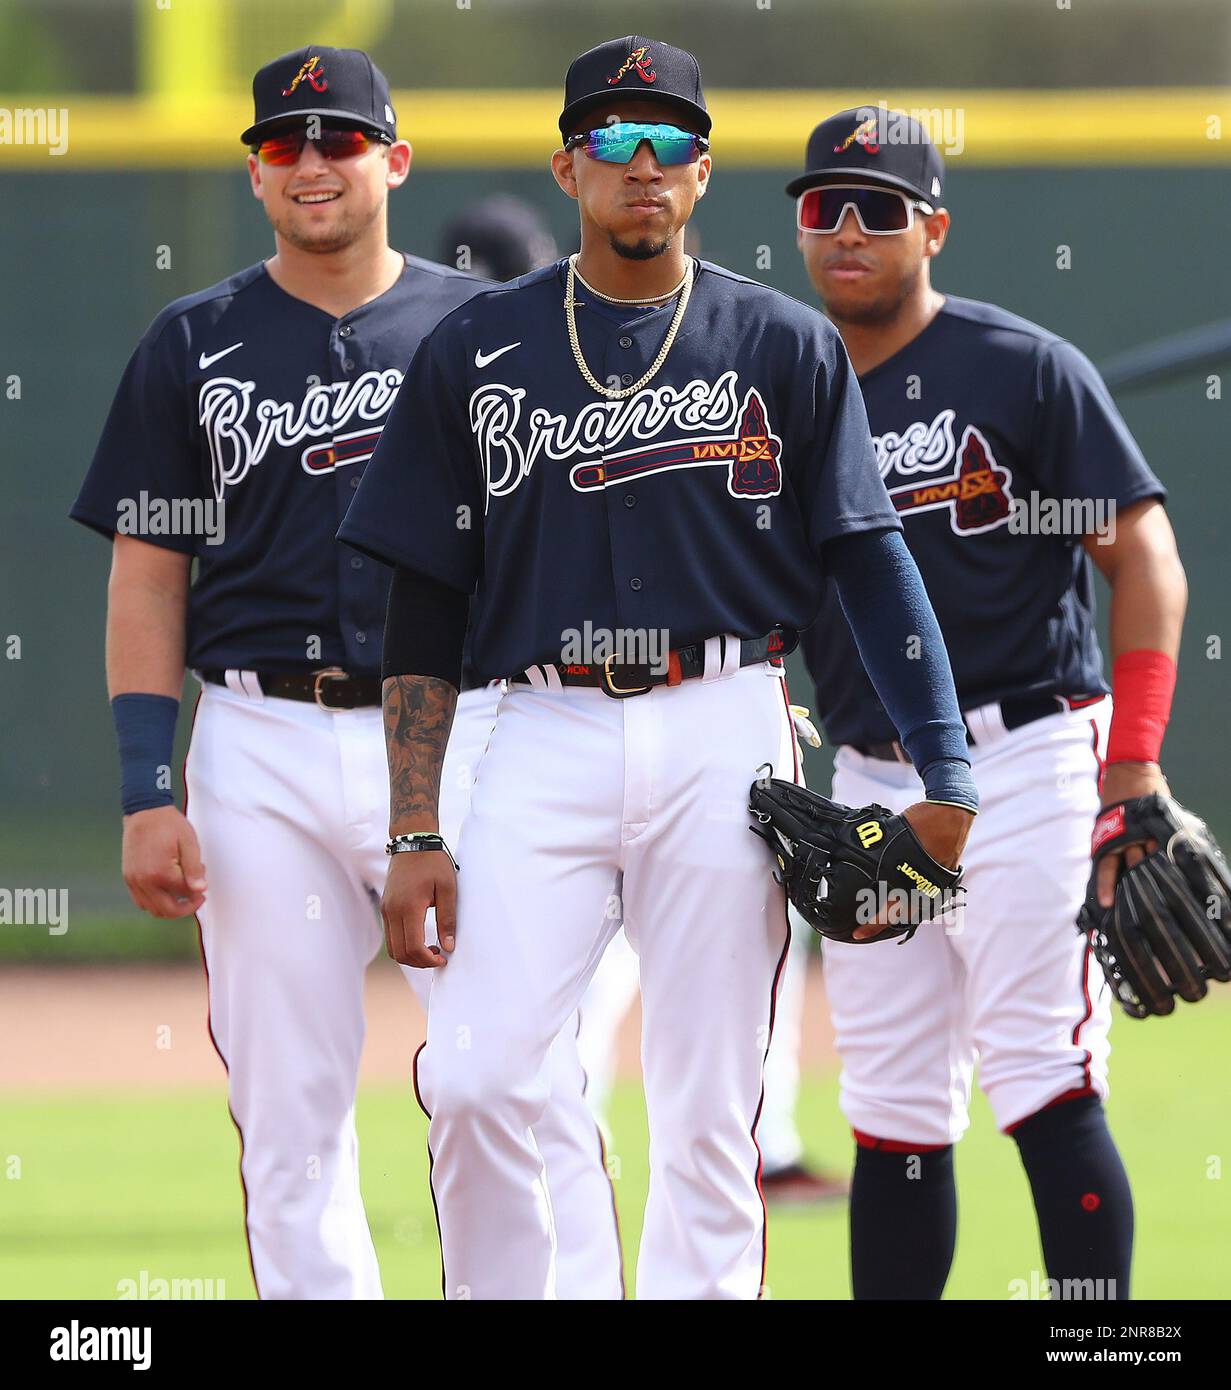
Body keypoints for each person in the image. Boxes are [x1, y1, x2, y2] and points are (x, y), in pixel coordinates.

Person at [340, 36, 977, 1300]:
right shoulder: (474, 350)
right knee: (471, 1077)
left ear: (699, 174)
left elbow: (869, 561)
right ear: (570, 165)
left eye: (669, 143)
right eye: (615, 142)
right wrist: (415, 822)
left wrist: (944, 768)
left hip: (723, 726)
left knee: (704, 1117)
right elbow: (424, 595)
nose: (643, 165)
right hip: (539, 725)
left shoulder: (782, 344)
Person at [71, 44, 621, 1300]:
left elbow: (576, 539)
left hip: (466, 726)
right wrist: (147, 786)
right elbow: (150, 578)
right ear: (257, 172)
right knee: (289, 1108)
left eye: (338, 138)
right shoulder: (190, 343)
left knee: (507, 1077)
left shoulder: (483, 329)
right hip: (259, 737)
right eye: (283, 144)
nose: (312, 162)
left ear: (395, 158)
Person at [788, 107, 1187, 1299]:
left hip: (1025, 759)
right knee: (892, 1108)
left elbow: (1146, 560)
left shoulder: (1021, 369)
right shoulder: (781, 388)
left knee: (1040, 1075)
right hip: (867, 781)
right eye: (823, 206)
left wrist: (1134, 763)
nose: (847, 230)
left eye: (879, 208)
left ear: (935, 229)